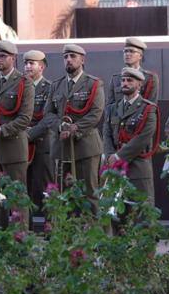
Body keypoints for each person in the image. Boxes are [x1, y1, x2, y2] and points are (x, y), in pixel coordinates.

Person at [0, 39, 34, 226]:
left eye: (2, 56)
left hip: (14, 148)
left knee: (17, 196)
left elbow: (25, 118)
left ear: (13, 58)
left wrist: (1, 129)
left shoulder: (24, 83)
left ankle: (20, 237)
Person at [45, 43, 105, 203]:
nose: (68, 60)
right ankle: (68, 228)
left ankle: (93, 227)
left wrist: (75, 127)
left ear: (82, 60)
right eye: (65, 57)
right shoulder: (56, 85)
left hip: (86, 147)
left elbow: (96, 113)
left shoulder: (94, 84)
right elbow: (48, 113)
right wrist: (60, 126)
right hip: (62, 147)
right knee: (64, 194)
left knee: (90, 193)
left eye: (73, 56)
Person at [102, 67, 159, 205]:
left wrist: (118, 156)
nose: (125, 83)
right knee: (116, 214)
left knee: (142, 212)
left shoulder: (148, 109)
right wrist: (110, 154)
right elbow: (107, 133)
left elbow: (143, 138)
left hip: (138, 167)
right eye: (123, 80)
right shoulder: (112, 108)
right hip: (115, 166)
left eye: (129, 80)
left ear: (139, 85)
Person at [23, 50, 53, 212]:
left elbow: (49, 118)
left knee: (44, 186)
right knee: (24, 185)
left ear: (41, 67)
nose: (27, 67)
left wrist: (29, 134)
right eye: (26, 63)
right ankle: (27, 228)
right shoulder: (20, 87)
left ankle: (48, 228)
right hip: (21, 144)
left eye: (31, 63)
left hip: (42, 144)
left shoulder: (49, 88)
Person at [107, 37, 159, 103]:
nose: (127, 54)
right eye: (125, 51)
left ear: (140, 56)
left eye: (132, 51)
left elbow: (151, 105)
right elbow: (109, 105)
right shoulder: (116, 78)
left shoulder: (150, 78)